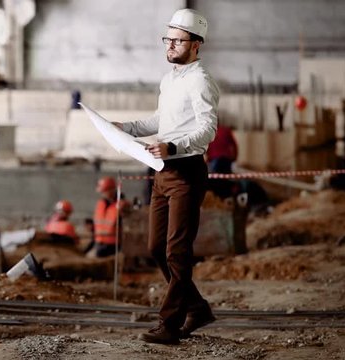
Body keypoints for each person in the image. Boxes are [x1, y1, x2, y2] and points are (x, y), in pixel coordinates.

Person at [113, 9, 219, 345]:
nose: (170, 45)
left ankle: (170, 324)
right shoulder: (170, 78)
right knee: (156, 247)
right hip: (162, 170)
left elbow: (208, 129)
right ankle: (197, 307)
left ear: (196, 45)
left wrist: (173, 146)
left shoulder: (201, 81)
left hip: (186, 170)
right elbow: (162, 119)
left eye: (178, 40)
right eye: (168, 39)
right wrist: (126, 128)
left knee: (177, 251)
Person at [84, 176, 128, 257]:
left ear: (112, 190)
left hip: (114, 246)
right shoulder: (100, 204)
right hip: (98, 243)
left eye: (104, 191)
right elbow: (99, 222)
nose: (102, 194)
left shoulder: (122, 205)